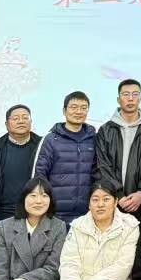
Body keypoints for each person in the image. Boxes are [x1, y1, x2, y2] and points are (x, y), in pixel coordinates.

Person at [95, 78, 141, 220]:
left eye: (135, 94)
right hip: (111, 199)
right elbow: (102, 165)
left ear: (140, 99)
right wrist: (118, 195)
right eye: (126, 94)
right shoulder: (106, 130)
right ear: (118, 99)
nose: (130, 98)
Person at [34, 91, 98, 224]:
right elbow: (39, 175)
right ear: (64, 111)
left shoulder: (94, 139)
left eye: (83, 108)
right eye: (74, 107)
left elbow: (98, 173)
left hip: (87, 214)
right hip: (55, 214)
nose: (79, 112)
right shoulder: (51, 139)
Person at [0, 104, 41, 224]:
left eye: (25, 117)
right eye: (15, 118)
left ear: (31, 122)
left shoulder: (42, 147)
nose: (21, 121)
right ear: (7, 124)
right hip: (1, 214)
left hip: (34, 213)